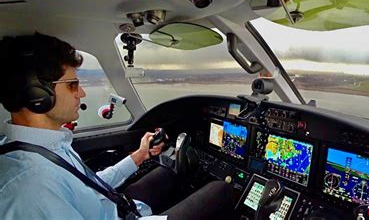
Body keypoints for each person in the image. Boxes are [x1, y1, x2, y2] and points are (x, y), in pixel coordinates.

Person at [0, 33, 234, 219]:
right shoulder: (29, 186)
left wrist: (139, 156)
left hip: (113, 207)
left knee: (169, 172)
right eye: (72, 85)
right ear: (38, 95)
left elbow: (91, 185)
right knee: (219, 190)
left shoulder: (46, 144)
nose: (81, 93)